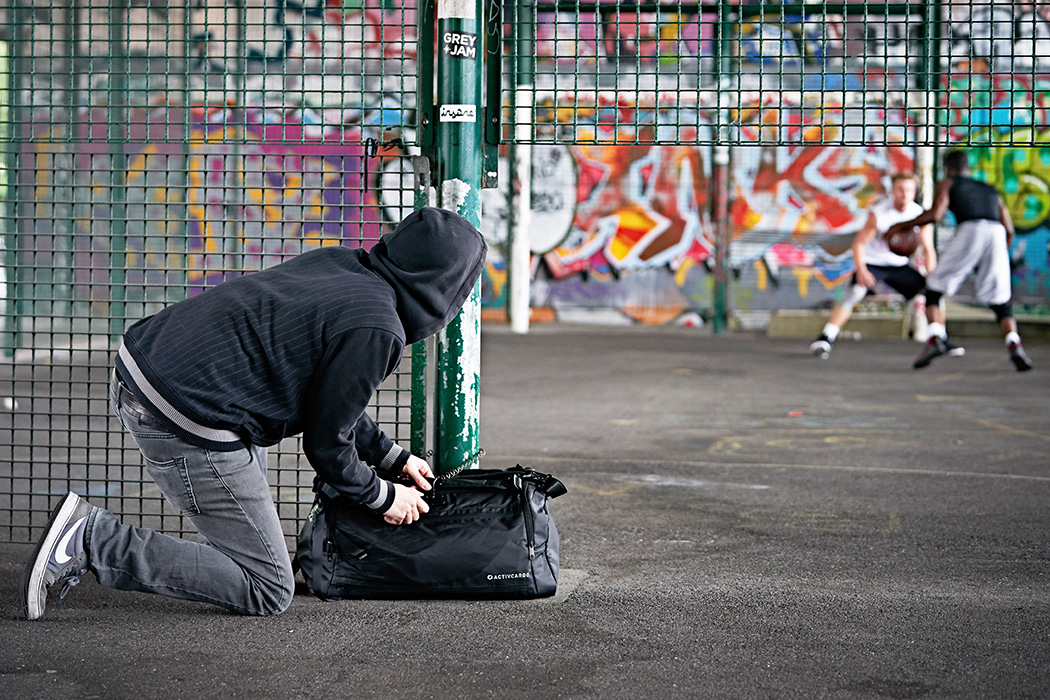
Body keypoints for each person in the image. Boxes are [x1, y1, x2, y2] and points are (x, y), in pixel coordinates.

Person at [21, 207, 488, 619]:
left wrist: (391, 458)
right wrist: (384, 497)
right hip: (185, 412)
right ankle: (91, 540)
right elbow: (327, 445)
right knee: (268, 587)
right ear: (446, 284)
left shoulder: (342, 263)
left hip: (151, 364)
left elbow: (329, 398)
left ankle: (207, 554)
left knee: (252, 548)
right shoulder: (376, 327)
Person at [886, 150, 1034, 371]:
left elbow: (936, 214)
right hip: (997, 234)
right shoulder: (990, 190)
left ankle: (936, 338)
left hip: (971, 228)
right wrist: (993, 257)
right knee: (999, 299)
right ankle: (1013, 342)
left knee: (934, 288)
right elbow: (1009, 230)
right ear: (968, 167)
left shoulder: (947, 182)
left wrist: (900, 226)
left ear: (948, 167)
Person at [810, 172, 937, 359]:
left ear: (914, 191)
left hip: (899, 266)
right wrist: (861, 270)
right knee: (856, 293)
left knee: (933, 291)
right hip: (874, 263)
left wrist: (932, 274)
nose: (904, 194)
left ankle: (938, 337)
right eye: (900, 189)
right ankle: (826, 337)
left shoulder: (918, 215)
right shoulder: (879, 214)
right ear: (893, 190)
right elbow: (859, 244)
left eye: (909, 189)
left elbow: (928, 249)